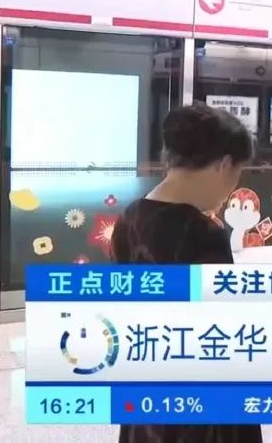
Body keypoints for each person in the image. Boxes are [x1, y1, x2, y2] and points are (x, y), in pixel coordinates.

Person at [111, 101, 260, 443]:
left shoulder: (129, 218)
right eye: (237, 174)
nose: (232, 189)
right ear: (224, 165)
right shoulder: (201, 233)